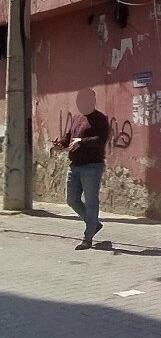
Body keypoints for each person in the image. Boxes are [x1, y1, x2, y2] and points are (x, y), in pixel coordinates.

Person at [52, 89, 110, 249]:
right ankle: (94, 224)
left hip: (92, 166)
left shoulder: (100, 119)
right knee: (71, 200)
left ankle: (87, 237)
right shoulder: (77, 118)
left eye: (85, 100)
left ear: (92, 101)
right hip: (75, 165)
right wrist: (61, 144)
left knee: (91, 202)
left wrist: (81, 142)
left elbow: (101, 139)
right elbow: (68, 137)